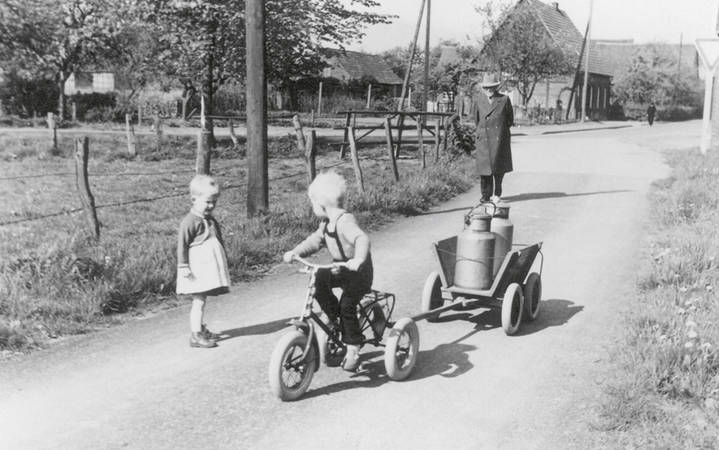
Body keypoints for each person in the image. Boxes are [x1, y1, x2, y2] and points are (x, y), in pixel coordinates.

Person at [283, 171, 373, 371]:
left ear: (321, 206)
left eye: (313, 204)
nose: (313, 208)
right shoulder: (325, 224)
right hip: (340, 268)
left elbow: (362, 239)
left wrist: (358, 259)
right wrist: (295, 252)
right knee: (318, 281)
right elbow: (314, 241)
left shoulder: (344, 221)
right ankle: (332, 316)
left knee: (347, 306)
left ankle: (353, 346)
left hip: (358, 272)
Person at [176, 175, 230, 348]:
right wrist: (183, 266)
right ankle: (195, 334)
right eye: (207, 202)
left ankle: (200, 328)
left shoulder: (209, 219)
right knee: (198, 300)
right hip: (197, 270)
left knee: (202, 299)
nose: (211, 206)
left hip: (207, 268)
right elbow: (182, 246)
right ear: (194, 199)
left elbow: (218, 239)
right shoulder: (190, 222)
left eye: (214, 202)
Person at [471, 73, 514, 203]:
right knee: (485, 170)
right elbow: (476, 120)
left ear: (496, 87)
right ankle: (485, 195)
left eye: (492, 87)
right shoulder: (478, 100)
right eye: (486, 87)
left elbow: (509, 120)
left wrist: (500, 132)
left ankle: (497, 193)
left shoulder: (504, 100)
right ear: (483, 88)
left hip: (499, 139)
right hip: (483, 139)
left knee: (498, 169)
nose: (489, 90)